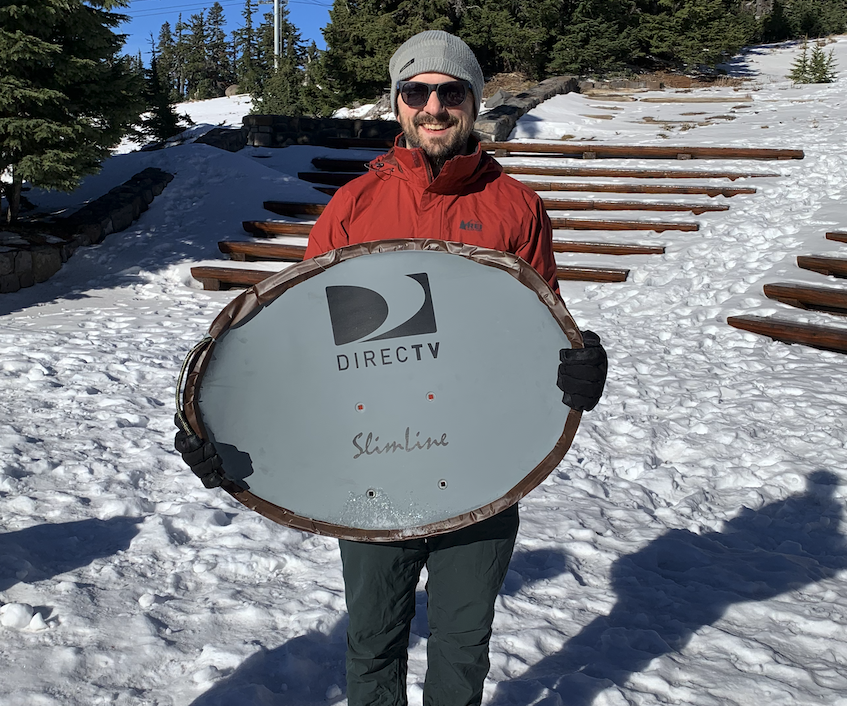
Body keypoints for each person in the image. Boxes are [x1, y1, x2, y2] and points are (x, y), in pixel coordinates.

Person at [176, 30, 607, 706]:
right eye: (417, 92)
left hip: (482, 460)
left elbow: (540, 326)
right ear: (398, 105)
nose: (433, 107)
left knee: (464, 642)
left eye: (450, 91)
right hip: (372, 459)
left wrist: (579, 367)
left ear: (472, 100)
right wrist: (222, 427)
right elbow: (308, 350)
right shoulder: (353, 206)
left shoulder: (515, 206)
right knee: (374, 638)